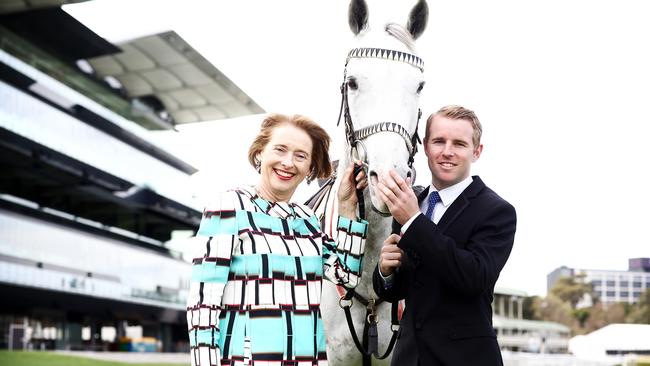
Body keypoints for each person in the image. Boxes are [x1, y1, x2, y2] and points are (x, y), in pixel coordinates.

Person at [186, 113, 368, 366]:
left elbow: (346, 276)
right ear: (260, 152)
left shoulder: (308, 220)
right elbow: (203, 303)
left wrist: (346, 206)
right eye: (280, 149)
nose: (288, 162)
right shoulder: (230, 206)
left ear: (310, 169)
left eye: (301, 156)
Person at [372, 105, 517, 365]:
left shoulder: (497, 211)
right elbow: (402, 290)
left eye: (459, 144)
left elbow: (473, 277)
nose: (447, 151)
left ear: (477, 151)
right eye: (439, 141)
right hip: (407, 358)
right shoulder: (411, 201)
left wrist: (413, 221)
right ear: (426, 145)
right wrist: (386, 271)